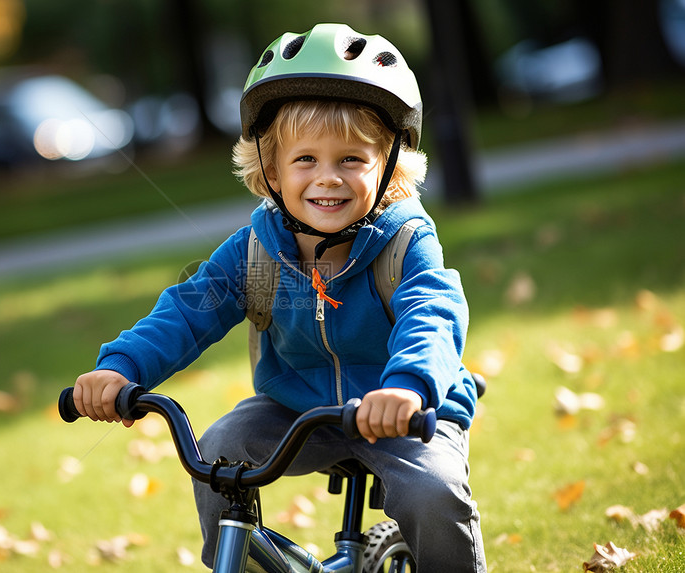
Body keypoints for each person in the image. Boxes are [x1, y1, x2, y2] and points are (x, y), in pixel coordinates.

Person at [72, 23, 486, 572]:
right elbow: (187, 310)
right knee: (219, 449)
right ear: (270, 169)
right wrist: (122, 368)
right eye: (305, 160)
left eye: (351, 160)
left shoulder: (404, 243)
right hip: (298, 409)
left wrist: (407, 387)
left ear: (388, 165)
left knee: (432, 493)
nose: (328, 179)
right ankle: (236, 562)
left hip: (403, 410)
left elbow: (431, 313)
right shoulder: (258, 253)